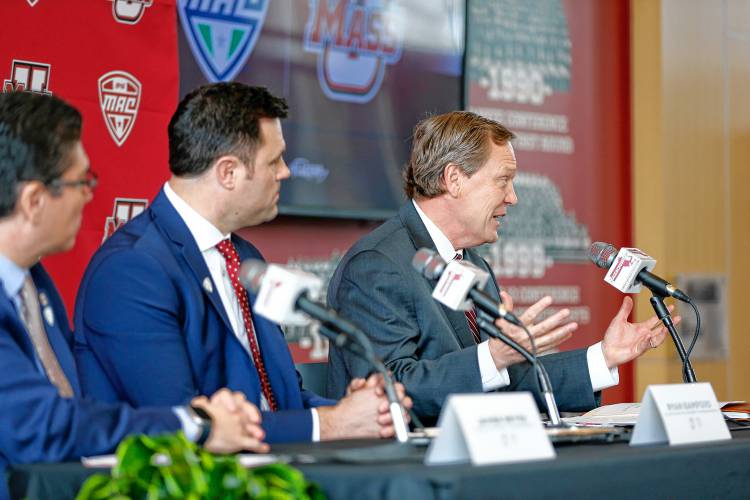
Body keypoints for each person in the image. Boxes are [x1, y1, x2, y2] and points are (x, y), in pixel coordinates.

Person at [74, 83, 411, 444]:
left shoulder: (246, 258)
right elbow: (188, 427)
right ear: (228, 173)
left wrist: (361, 412)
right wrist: (331, 424)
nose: (285, 172)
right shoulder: (132, 271)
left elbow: (281, 400)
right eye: (274, 160)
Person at [0, 91, 269, 497]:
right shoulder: (126, 268)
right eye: (81, 182)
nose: (89, 197)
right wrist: (193, 425)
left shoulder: (31, 285)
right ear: (34, 201)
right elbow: (43, 426)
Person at [326, 111, 675, 423]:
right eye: (503, 180)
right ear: (454, 179)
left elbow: (502, 377)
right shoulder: (376, 266)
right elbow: (389, 391)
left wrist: (604, 357)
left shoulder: (471, 261)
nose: (513, 197)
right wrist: (492, 356)